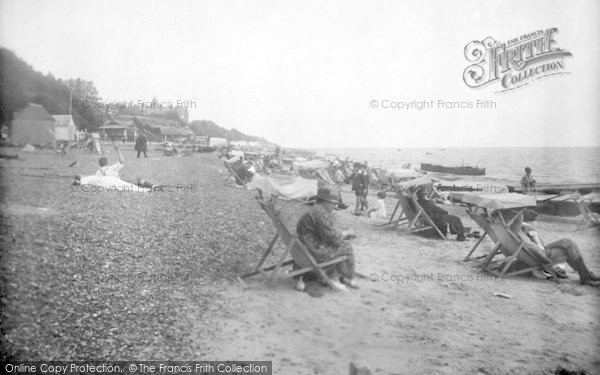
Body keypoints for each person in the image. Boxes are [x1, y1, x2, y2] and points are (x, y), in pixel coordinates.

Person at [508, 210, 600, 286]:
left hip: (536, 251)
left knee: (568, 243)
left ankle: (585, 274)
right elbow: (533, 247)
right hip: (539, 254)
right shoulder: (517, 227)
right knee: (568, 246)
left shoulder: (508, 229)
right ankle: (585, 275)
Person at [296, 187, 358, 291]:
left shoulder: (314, 210)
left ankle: (340, 276)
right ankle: (344, 277)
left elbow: (327, 233)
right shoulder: (320, 214)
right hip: (315, 250)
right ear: (326, 202)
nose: (335, 206)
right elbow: (333, 238)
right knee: (345, 246)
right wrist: (346, 233)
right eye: (334, 203)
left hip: (305, 247)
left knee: (340, 245)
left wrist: (341, 234)